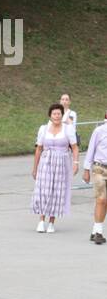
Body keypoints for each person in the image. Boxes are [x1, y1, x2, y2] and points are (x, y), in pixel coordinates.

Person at [32, 103, 79, 233]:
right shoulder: (43, 128)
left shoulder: (68, 129)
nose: (57, 116)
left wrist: (76, 163)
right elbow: (38, 149)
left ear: (62, 115)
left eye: (59, 114)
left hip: (61, 163)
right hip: (45, 162)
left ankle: (52, 222)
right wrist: (34, 168)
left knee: (56, 192)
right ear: (50, 115)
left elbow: (74, 147)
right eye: (54, 114)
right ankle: (41, 220)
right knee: (44, 191)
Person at [82, 110, 107, 246]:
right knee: (101, 199)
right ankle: (98, 232)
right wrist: (86, 169)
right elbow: (90, 149)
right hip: (99, 168)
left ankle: (95, 228)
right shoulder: (99, 131)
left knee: (106, 201)